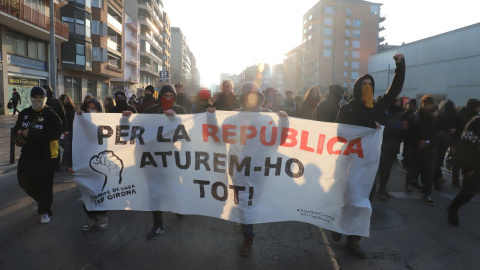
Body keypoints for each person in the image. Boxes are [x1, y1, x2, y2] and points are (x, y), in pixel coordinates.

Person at [334, 53, 405, 258]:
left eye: (370, 84)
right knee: (345, 196)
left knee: (363, 201)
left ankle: (353, 239)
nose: (367, 86)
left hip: (369, 165)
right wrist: (366, 128)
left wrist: (400, 65)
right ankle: (337, 225)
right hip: (349, 161)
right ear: (357, 87)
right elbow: (339, 134)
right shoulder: (348, 108)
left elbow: (396, 89)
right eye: (364, 83)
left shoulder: (379, 105)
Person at [207, 82, 288, 256]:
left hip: (259, 168)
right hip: (238, 168)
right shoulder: (233, 118)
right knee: (245, 201)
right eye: (247, 96)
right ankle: (248, 236)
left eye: (255, 96)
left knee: (251, 201)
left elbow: (280, 140)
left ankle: (246, 226)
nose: (251, 100)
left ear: (259, 98)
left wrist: (284, 121)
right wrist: (211, 118)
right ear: (242, 98)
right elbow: (219, 138)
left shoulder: (268, 118)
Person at [14, 86, 63, 224]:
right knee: (23, 181)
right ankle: (42, 200)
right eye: (35, 97)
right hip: (28, 154)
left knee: (45, 184)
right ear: (30, 98)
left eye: (40, 98)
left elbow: (57, 133)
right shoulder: (24, 113)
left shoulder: (50, 114)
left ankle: (45, 210)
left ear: (45, 99)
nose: (37, 100)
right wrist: (18, 133)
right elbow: (17, 127)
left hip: (46, 155)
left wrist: (34, 134)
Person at [144, 84, 187, 240]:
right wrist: (126, 117)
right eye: (165, 96)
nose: (168, 99)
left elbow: (186, 131)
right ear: (160, 96)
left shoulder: (180, 110)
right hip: (154, 157)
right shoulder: (151, 111)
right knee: (155, 191)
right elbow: (139, 126)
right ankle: (158, 225)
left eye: (171, 96)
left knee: (175, 185)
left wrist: (175, 119)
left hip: (172, 156)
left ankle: (179, 208)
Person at [65, 98, 110, 230]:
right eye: (89, 107)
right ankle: (90, 216)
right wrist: (69, 163)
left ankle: (102, 215)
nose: (92, 110)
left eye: (94, 107)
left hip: (102, 164)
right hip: (84, 164)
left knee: (101, 191)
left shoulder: (106, 122)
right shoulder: (79, 123)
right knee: (87, 191)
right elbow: (71, 144)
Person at [403, 95, 439, 205]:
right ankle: (408, 183)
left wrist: (429, 142)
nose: (427, 106)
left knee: (429, 173)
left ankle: (427, 194)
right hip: (416, 149)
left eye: (429, 104)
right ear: (421, 104)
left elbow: (437, 133)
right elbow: (409, 133)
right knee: (413, 168)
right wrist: (418, 141)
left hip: (430, 149)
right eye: (425, 104)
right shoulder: (415, 116)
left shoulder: (435, 117)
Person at [447, 116, 480, 227]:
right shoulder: (476, 123)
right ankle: (453, 209)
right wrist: (468, 168)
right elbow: (464, 146)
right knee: (468, 193)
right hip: (474, 165)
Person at [374, 97, 406, 200]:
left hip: (393, 146)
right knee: (378, 169)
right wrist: (396, 127)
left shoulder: (400, 114)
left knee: (387, 170)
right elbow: (382, 128)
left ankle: (382, 189)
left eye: (399, 101)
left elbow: (402, 131)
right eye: (396, 101)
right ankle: (374, 190)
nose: (398, 103)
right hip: (383, 145)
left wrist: (403, 129)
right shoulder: (385, 112)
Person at [43, 85, 68, 172]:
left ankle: (56, 165)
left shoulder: (56, 102)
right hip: (43, 128)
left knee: (55, 148)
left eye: (47, 91)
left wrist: (64, 129)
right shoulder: (42, 101)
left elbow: (62, 116)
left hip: (55, 128)